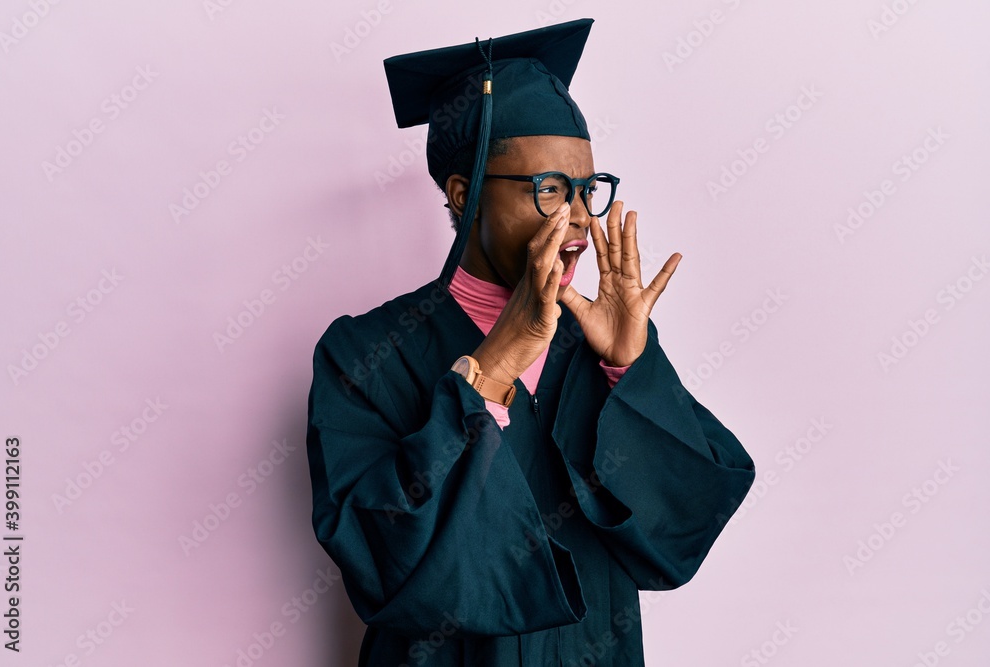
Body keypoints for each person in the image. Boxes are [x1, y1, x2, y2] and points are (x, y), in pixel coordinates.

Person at [305, 17, 756, 666]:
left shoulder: (597, 346)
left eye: (585, 191)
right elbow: (379, 562)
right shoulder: (362, 355)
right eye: (548, 189)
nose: (576, 217)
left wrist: (629, 367)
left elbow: (677, 536)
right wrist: (489, 371)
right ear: (465, 196)